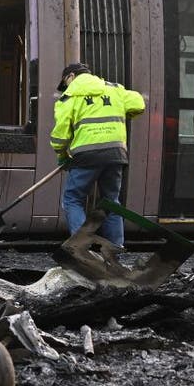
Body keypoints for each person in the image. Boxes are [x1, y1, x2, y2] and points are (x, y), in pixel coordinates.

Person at [50, 62, 146, 247]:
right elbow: (139, 104)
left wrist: (62, 157)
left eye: (65, 83)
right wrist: (124, 113)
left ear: (70, 77)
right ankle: (117, 249)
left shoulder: (69, 98)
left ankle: (81, 247)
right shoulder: (115, 90)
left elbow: (60, 137)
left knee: (73, 199)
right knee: (111, 202)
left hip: (86, 156)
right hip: (115, 154)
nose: (65, 88)